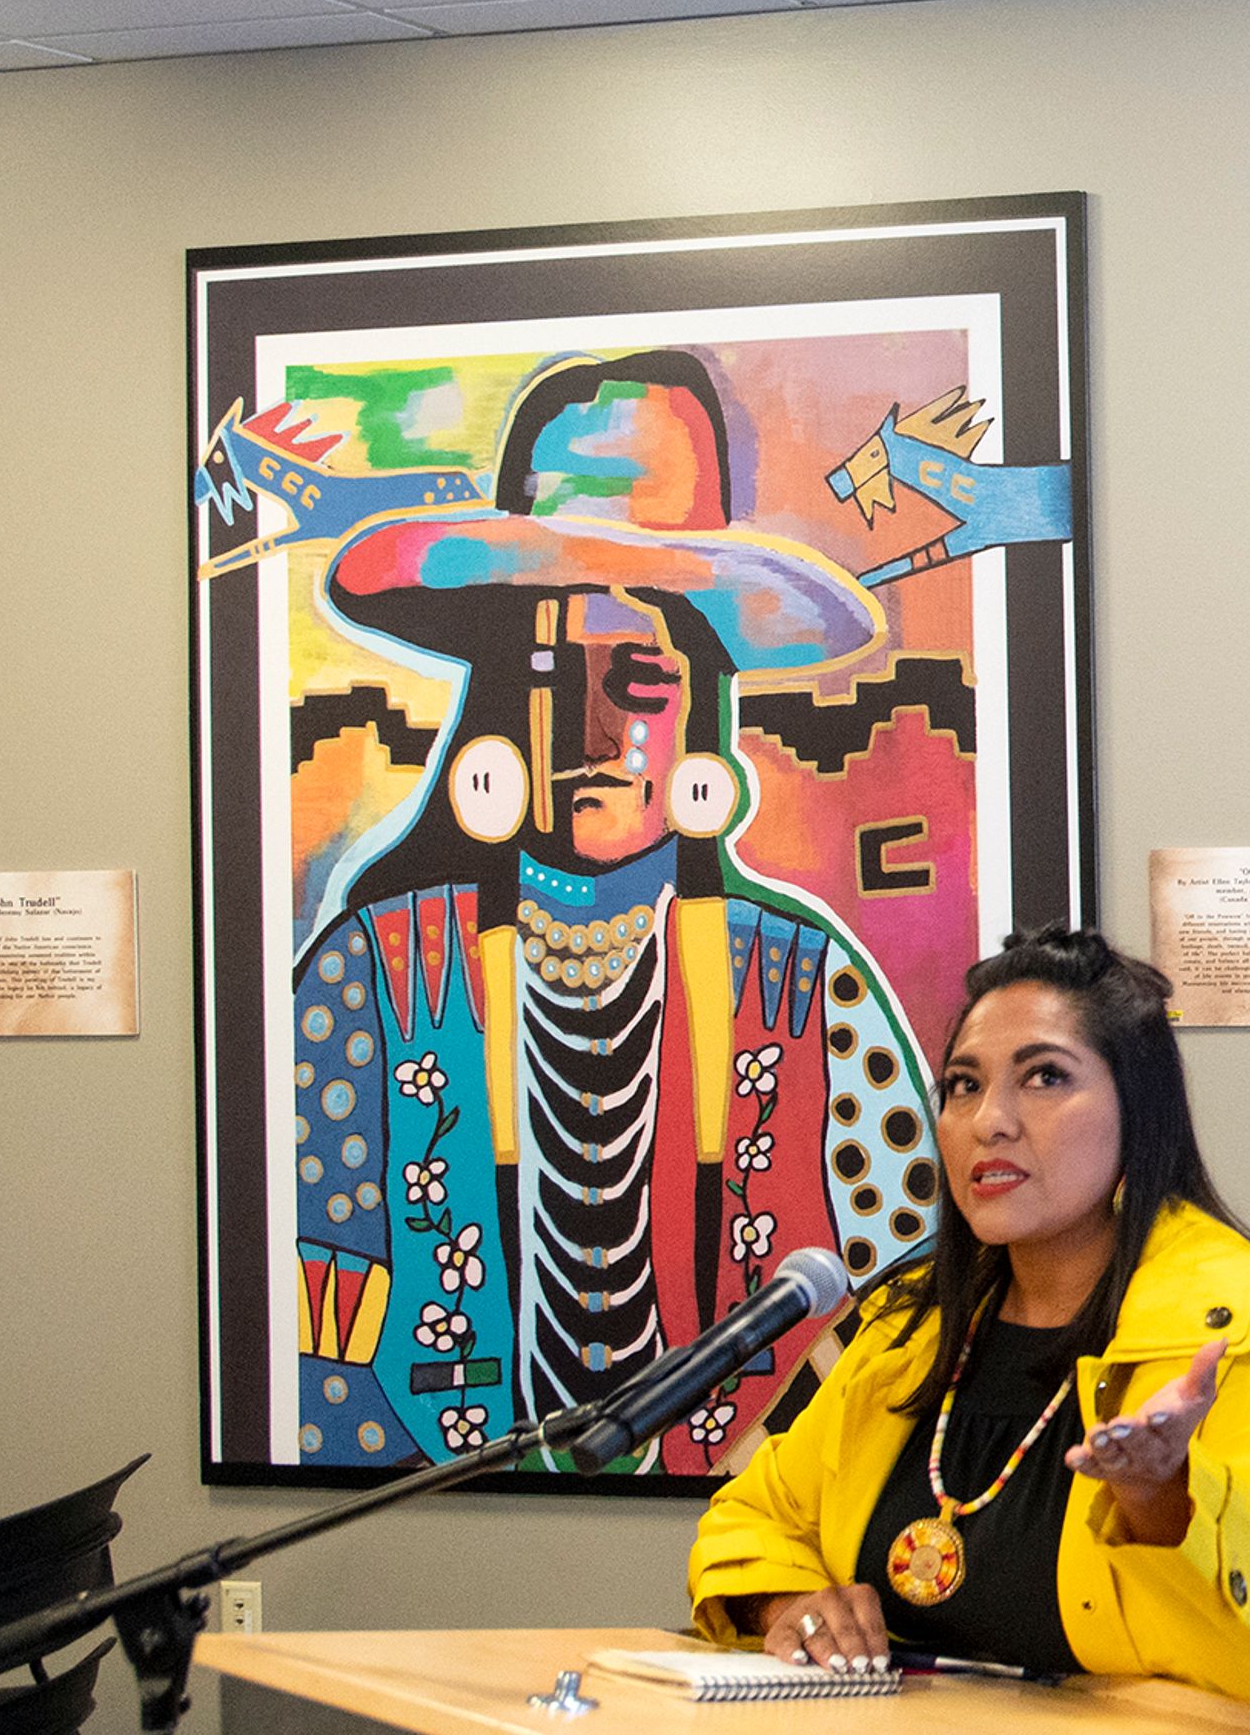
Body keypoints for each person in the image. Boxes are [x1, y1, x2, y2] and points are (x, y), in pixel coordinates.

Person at [290, 350, 931, 1474]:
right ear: (494, 693)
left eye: (637, 677)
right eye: (548, 672)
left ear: (702, 703)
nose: (593, 734)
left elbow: (915, 1316)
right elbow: (317, 1332)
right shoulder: (370, 977)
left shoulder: (806, 983)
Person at [687, 928, 1250, 1718]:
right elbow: (752, 1516)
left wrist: (1163, 1495)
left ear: (1137, 1112)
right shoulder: (910, 1331)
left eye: (1044, 1077)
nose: (989, 1121)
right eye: (963, 1086)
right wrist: (785, 1602)